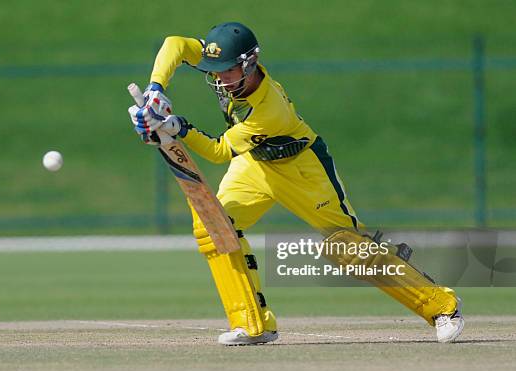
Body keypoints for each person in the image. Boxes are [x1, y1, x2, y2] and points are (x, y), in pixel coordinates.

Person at [128, 22, 464, 345]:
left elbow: (218, 151)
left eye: (228, 70)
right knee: (213, 226)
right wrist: (156, 88)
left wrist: (177, 127)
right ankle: (252, 324)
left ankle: (442, 307)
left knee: (347, 247)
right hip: (255, 164)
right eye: (216, 69)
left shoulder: (269, 108)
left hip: (303, 168)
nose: (220, 77)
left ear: (250, 63)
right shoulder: (223, 66)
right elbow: (174, 43)